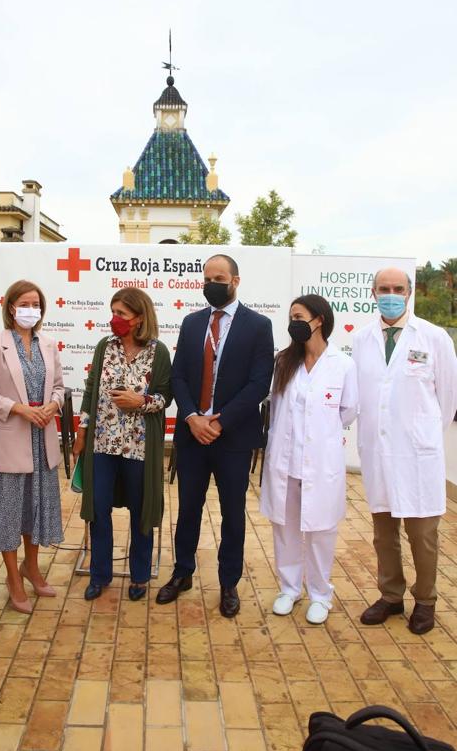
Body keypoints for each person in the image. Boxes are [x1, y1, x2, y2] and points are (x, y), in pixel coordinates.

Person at [156, 254, 274, 617]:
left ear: (235, 281)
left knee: (232, 513)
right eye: (207, 278)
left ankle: (228, 582)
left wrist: (219, 423)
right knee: (188, 508)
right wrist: (192, 417)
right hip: (193, 436)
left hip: (233, 438)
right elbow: (178, 377)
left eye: (219, 278)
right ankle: (182, 572)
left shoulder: (258, 325)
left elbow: (259, 383)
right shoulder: (192, 324)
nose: (212, 284)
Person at [354, 267, 457, 635]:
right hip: (380, 453)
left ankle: (425, 600)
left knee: (423, 534)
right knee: (384, 534)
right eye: (384, 288)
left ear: (410, 292)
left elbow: (447, 399)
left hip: (417, 455)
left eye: (398, 288)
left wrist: (421, 434)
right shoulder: (363, 339)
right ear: (373, 292)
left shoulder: (433, 338)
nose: (391, 293)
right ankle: (391, 595)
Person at [260, 294, 358, 624]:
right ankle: (289, 589)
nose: (294, 323)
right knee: (285, 528)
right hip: (284, 461)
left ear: (319, 320)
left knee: (320, 531)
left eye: (299, 316)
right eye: (291, 317)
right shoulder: (283, 362)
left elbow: (348, 411)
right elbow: (275, 405)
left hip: (321, 462)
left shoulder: (342, 364)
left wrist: (320, 436)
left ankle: (320, 594)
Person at [73, 288, 171, 602]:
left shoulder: (159, 351)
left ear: (140, 317)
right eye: (113, 312)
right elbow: (91, 391)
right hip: (102, 445)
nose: (114, 319)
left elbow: (165, 398)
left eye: (122, 314)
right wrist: (82, 430)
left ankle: (140, 576)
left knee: (141, 512)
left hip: (140, 448)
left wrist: (139, 401)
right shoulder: (105, 346)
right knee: (98, 510)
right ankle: (100, 575)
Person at [0, 280, 65, 614]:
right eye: (25, 303)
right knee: (9, 513)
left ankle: (32, 567)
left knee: (35, 509)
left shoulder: (48, 344)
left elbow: (58, 387)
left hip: (42, 442)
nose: (31, 309)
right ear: (11, 307)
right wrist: (19, 408)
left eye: (36, 304)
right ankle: (14, 578)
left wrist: (52, 406)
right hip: (11, 440)